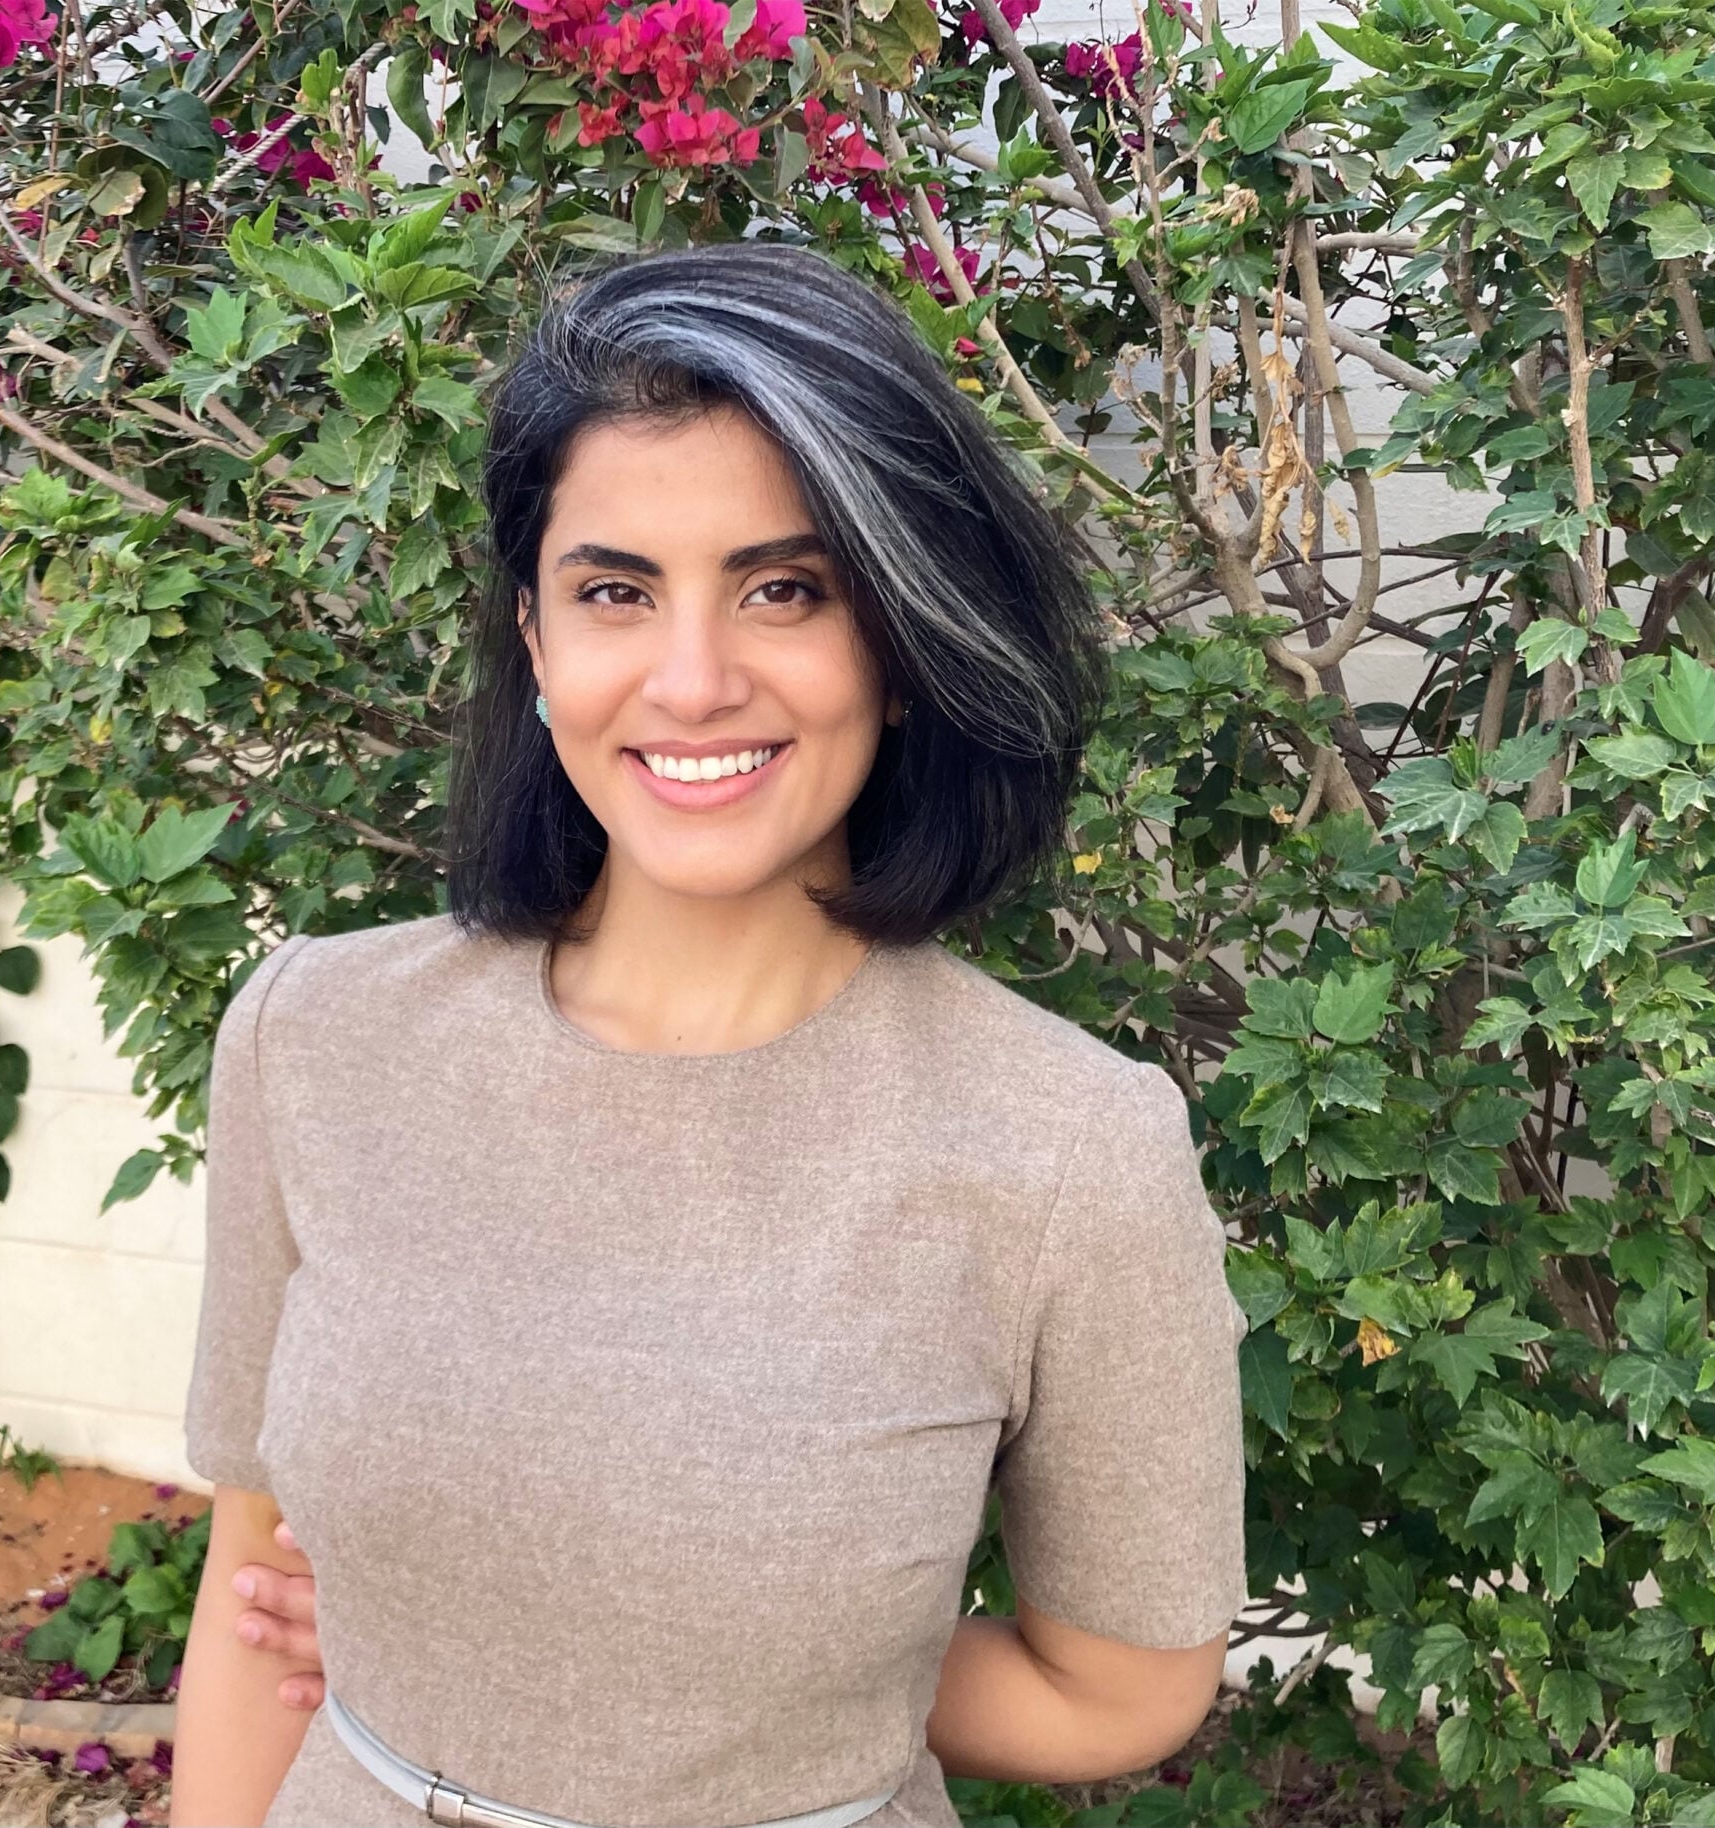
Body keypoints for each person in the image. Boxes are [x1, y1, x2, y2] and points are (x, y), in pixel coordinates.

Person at [169, 241, 1251, 1828]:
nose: (692, 679)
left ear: (896, 639)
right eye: (615, 591)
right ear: (537, 642)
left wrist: (628, 1664)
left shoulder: (1067, 1151)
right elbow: (254, 1600)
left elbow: (1128, 1689)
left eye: (786, 589)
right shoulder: (316, 1038)